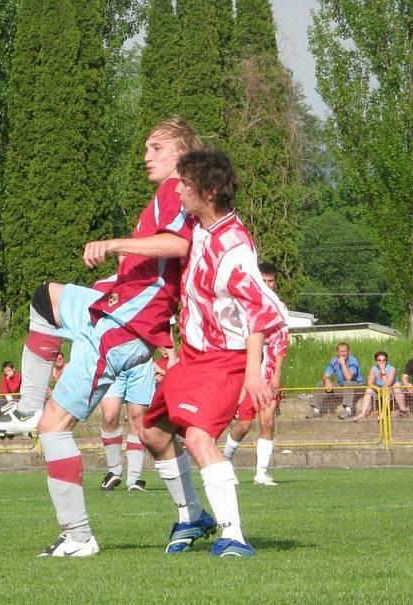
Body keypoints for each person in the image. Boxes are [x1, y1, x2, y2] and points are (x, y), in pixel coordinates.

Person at [0, 117, 202, 557]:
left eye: (156, 147)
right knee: (46, 299)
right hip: (114, 311)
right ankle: (25, 406)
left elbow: (177, 246)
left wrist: (116, 245)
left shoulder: (175, 191)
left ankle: (78, 537)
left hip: (123, 328)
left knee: (55, 428)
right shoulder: (170, 194)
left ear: (181, 153)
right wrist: (116, 278)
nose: (147, 156)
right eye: (146, 147)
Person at [141, 148, 286, 559]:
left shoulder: (234, 247)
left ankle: (233, 535)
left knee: (200, 438)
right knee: (151, 433)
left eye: (186, 184)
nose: (179, 190)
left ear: (206, 191)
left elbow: (260, 311)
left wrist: (254, 372)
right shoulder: (195, 224)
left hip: (225, 358)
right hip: (192, 356)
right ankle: (192, 515)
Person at [223, 262, 288, 487]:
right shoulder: (243, 306)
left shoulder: (280, 308)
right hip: (247, 373)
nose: (268, 285)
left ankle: (261, 473)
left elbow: (281, 342)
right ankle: (225, 462)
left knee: (268, 422)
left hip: (269, 372)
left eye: (272, 281)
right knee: (243, 424)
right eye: (264, 281)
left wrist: (277, 374)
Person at [99, 360, 155, 492]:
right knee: (109, 416)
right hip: (113, 359)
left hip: (141, 361)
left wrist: (171, 355)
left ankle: (134, 478)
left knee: (137, 419)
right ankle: (114, 471)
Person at [309, 342, 364, 419]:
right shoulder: (334, 361)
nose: (343, 354)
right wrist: (327, 380)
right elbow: (325, 375)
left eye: (345, 351)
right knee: (321, 383)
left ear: (348, 352)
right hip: (343, 388)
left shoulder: (353, 360)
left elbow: (349, 377)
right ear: (337, 352)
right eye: (341, 351)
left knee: (348, 383)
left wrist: (342, 363)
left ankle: (348, 410)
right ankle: (316, 411)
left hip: (357, 388)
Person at [351, 351, 407, 421]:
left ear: (386, 361)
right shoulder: (373, 368)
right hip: (379, 389)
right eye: (379, 360)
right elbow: (370, 383)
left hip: (390, 389)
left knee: (389, 389)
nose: (382, 362)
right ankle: (363, 414)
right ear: (376, 361)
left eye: (384, 360)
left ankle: (383, 414)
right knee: (369, 390)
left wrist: (383, 371)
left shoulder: (392, 369)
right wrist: (377, 388)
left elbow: (388, 384)